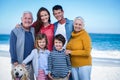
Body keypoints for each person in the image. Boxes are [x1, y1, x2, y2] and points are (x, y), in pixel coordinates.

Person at [9, 11, 35, 80]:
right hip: (18, 64)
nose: (27, 20)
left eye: (29, 18)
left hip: (30, 65)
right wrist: (15, 62)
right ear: (21, 19)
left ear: (32, 20)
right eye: (25, 18)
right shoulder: (15, 31)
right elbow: (12, 48)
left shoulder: (33, 30)